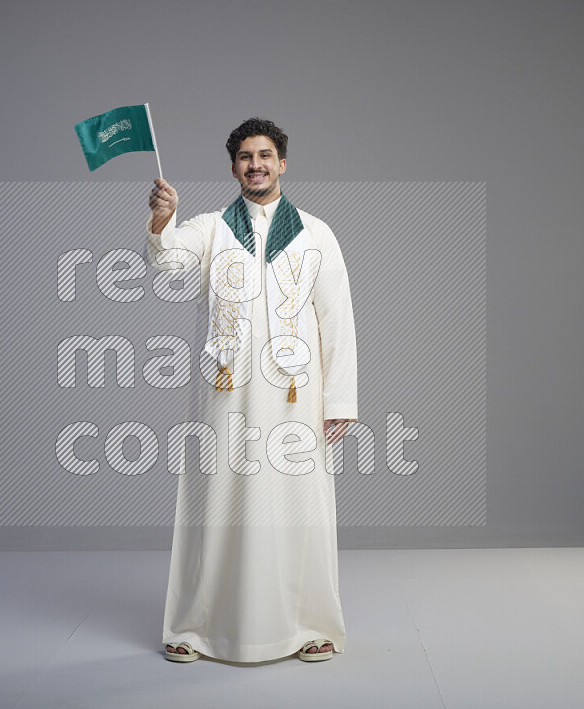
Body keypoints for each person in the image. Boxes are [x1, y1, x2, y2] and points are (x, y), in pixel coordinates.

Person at [145, 117, 358, 663]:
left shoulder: (316, 232)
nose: (255, 165)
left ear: (282, 163)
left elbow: (336, 320)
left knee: (297, 506)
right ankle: (197, 628)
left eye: (265, 156)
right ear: (234, 166)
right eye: (245, 157)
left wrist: (340, 401)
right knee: (217, 503)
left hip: (295, 395)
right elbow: (168, 265)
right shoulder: (212, 228)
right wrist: (162, 220)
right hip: (227, 393)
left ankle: (308, 626)